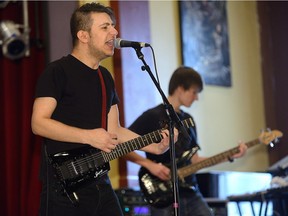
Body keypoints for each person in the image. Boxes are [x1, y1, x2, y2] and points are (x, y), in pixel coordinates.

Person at [31, 2, 176, 216]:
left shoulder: (105, 77)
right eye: (105, 27)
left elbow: (114, 131)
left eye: (114, 26)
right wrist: (89, 137)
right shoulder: (57, 72)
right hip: (64, 188)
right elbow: (39, 123)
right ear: (83, 36)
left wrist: (152, 147)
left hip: (100, 182)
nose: (115, 32)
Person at [123, 66, 247, 216]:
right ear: (180, 89)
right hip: (162, 195)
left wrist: (230, 155)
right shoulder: (151, 116)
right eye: (194, 92)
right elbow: (122, 145)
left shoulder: (188, 120)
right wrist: (149, 165)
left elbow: (195, 160)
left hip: (191, 192)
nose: (196, 98)